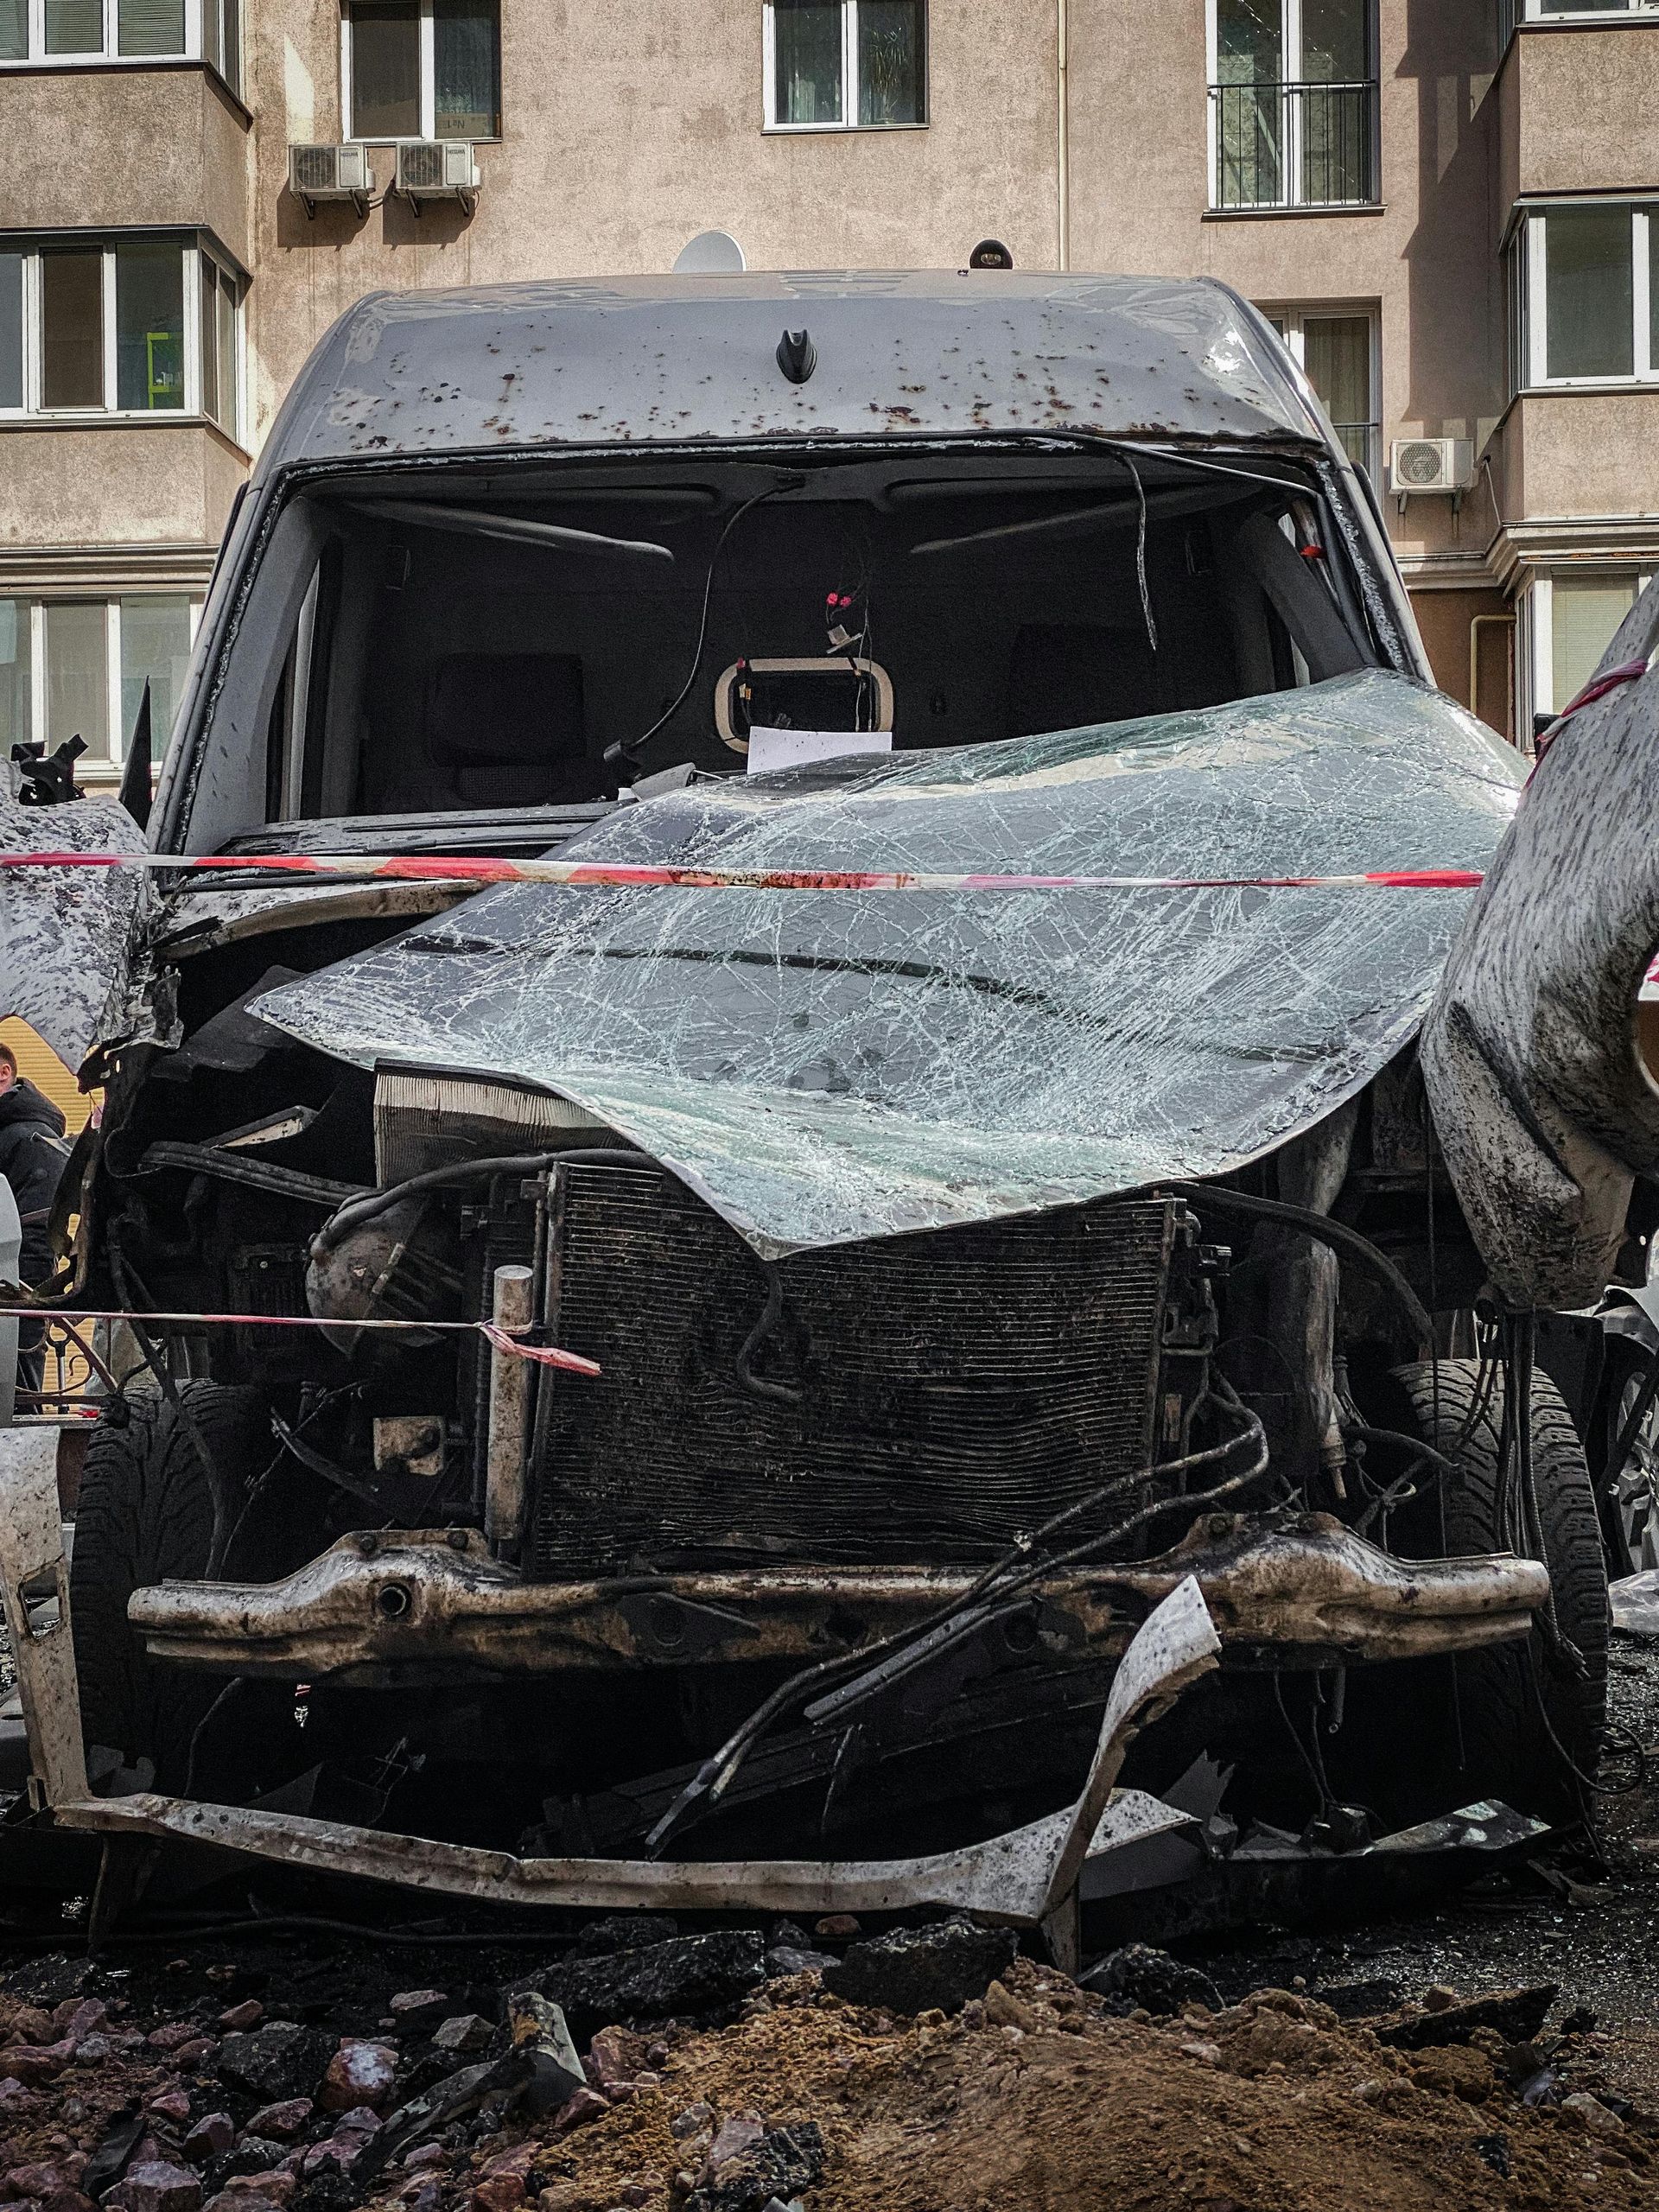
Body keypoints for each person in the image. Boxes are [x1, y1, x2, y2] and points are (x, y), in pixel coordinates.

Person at [0, 1041, 71, 1400]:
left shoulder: (30, 1135)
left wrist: (25, 1296)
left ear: (4, 1072)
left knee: (17, 1395)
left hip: (16, 1283)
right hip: (14, 1279)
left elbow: (38, 1226)